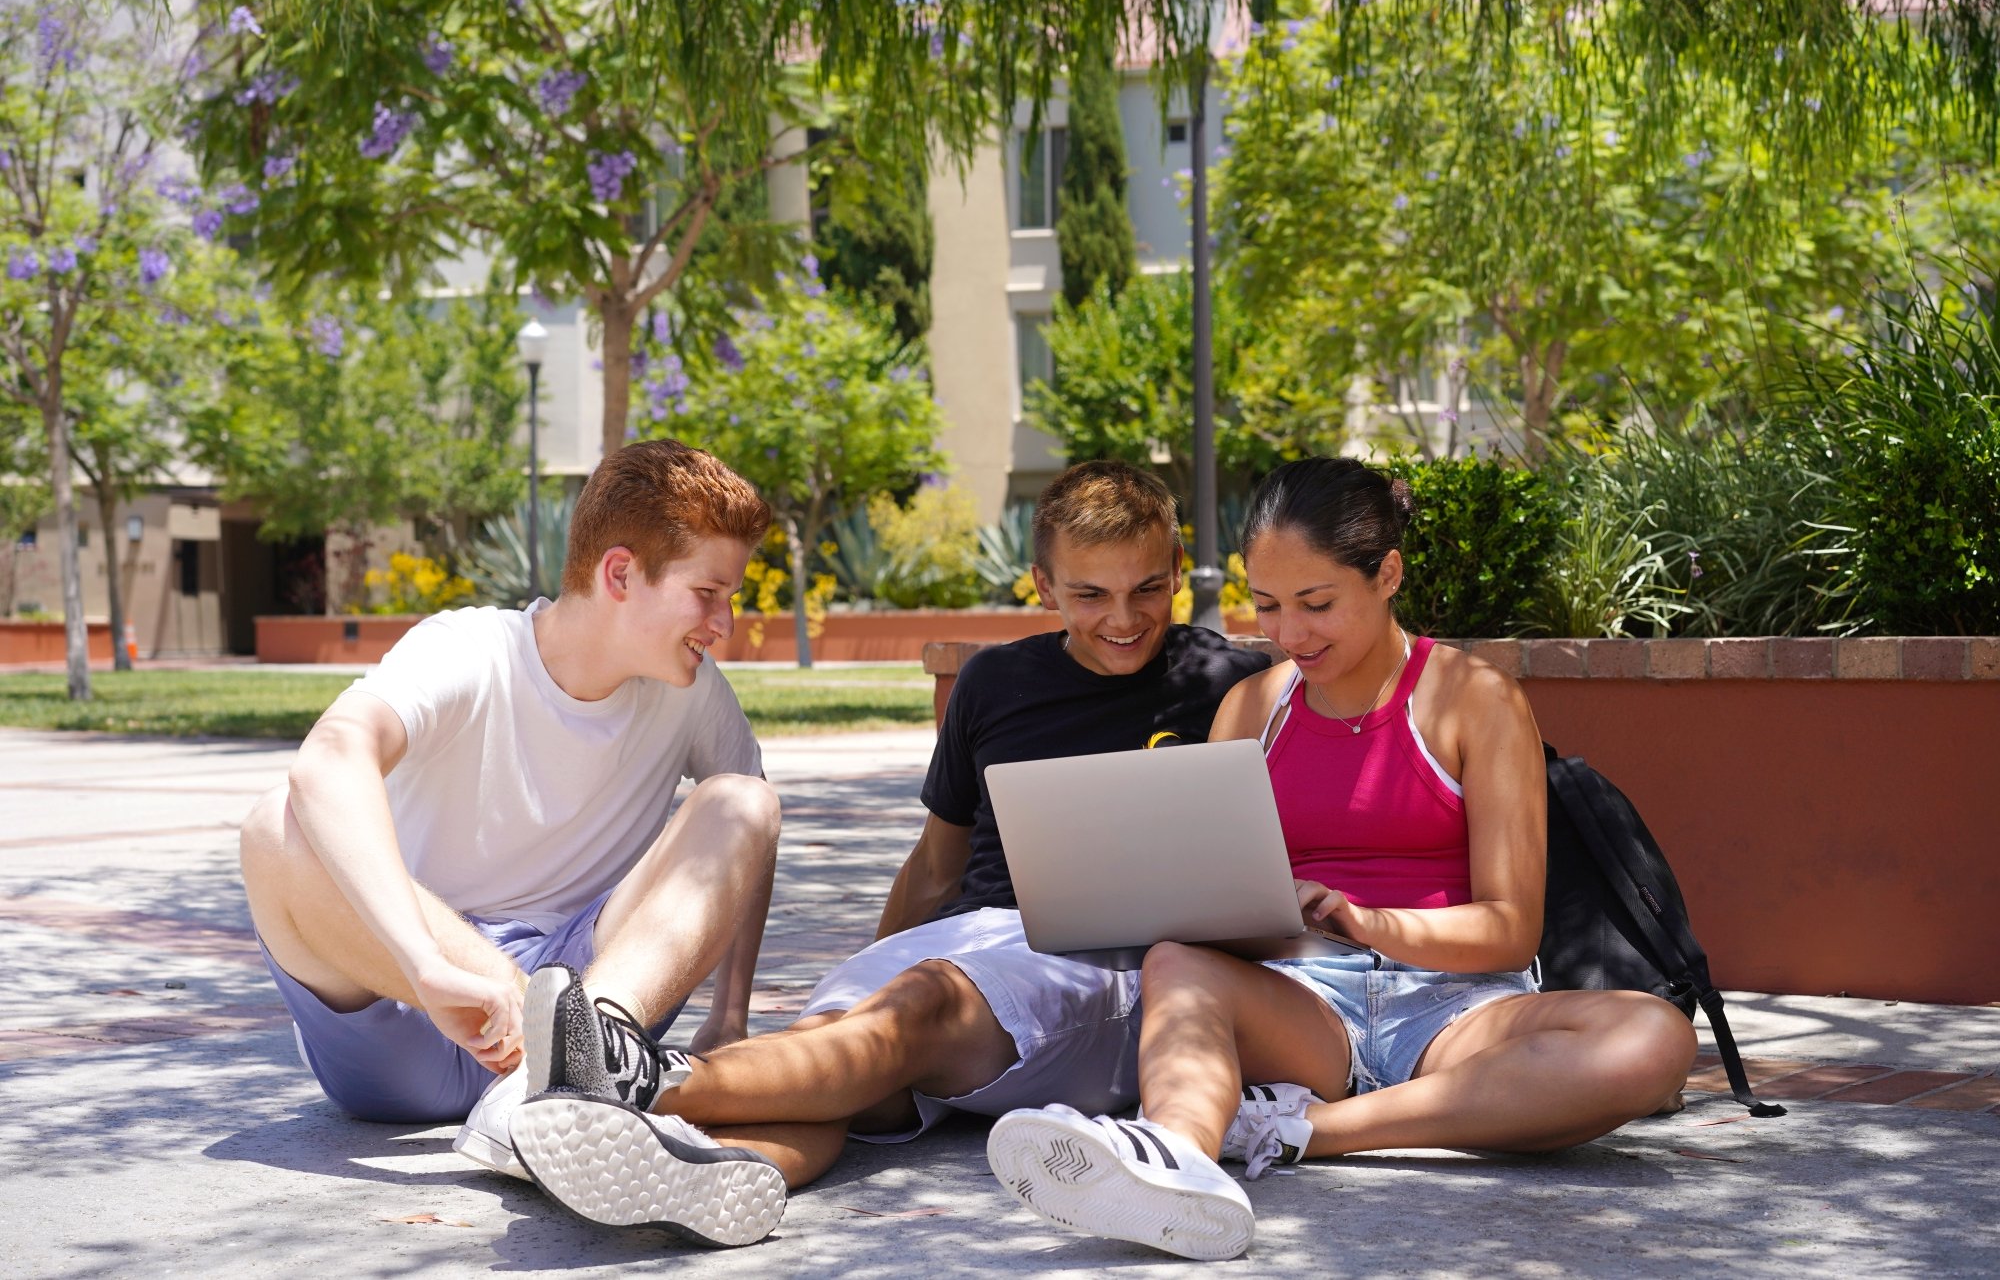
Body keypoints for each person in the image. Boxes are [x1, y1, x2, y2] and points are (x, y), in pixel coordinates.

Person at [504, 460, 1272, 1220]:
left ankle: (634, 1076)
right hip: (967, 946)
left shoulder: (1228, 684)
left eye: (1147, 588)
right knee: (834, 1062)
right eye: (1090, 594)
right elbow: (936, 867)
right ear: (1042, 586)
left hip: (1111, 970)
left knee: (912, 1011)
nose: (1124, 617)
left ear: (1177, 568)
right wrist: (869, 973)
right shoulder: (996, 684)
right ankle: (696, 1178)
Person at [986, 456, 1698, 1262]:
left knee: (1653, 1036)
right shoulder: (1251, 708)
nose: (1289, 635)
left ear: (1386, 573)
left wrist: (1371, 921)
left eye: (1317, 604)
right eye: (1267, 606)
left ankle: (1298, 1131)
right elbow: (1211, 910)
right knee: (1178, 961)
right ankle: (1177, 1156)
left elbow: (1510, 930)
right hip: (1303, 1002)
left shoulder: (1477, 699)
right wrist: (1235, 915)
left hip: (1456, 1009)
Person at [240, 439, 790, 1247]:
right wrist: (427, 969)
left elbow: (749, 836)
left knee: (742, 800)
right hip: (411, 1000)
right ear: (618, 574)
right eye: (708, 593)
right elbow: (330, 756)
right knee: (271, 825)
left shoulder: (690, 691)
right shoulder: (470, 650)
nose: (724, 624)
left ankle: (568, 1072)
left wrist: (730, 1016)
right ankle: (555, 1076)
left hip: (595, 991)